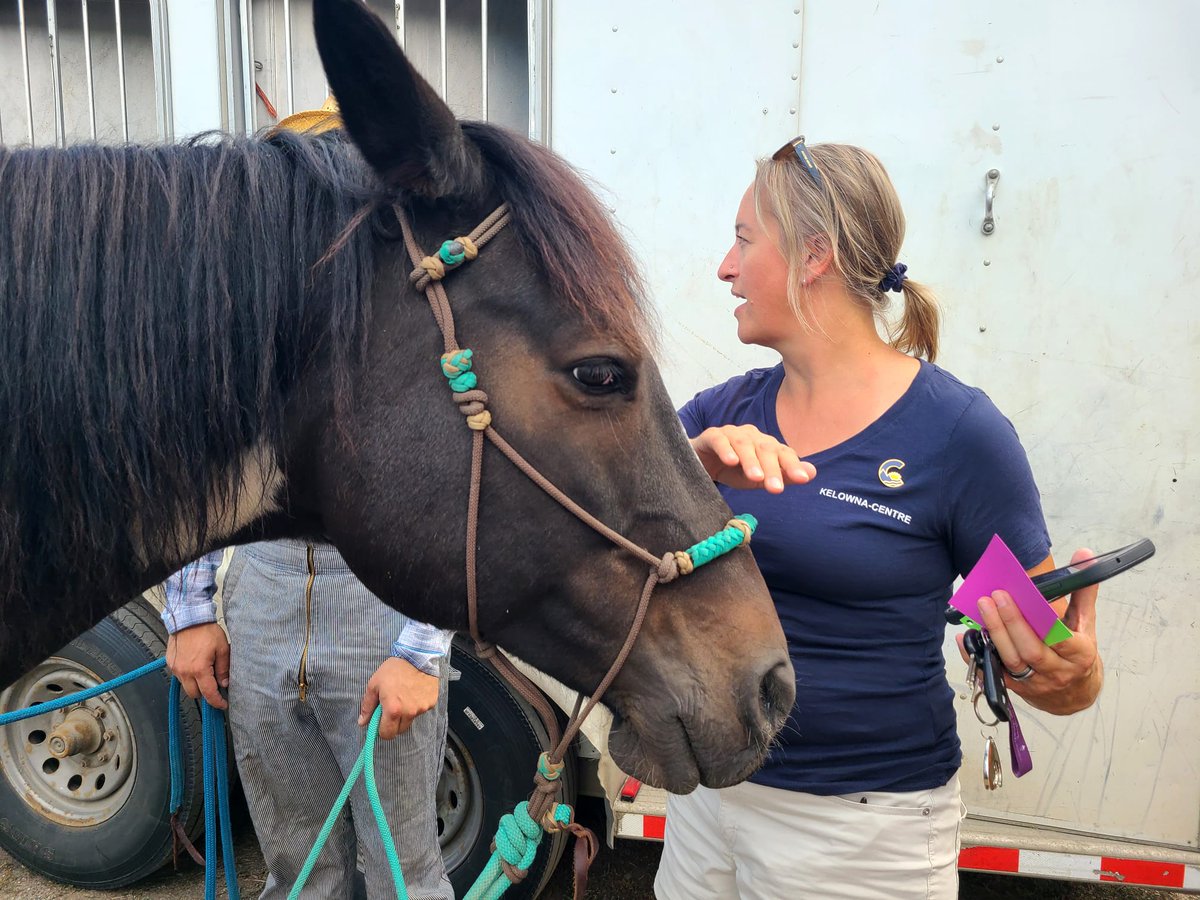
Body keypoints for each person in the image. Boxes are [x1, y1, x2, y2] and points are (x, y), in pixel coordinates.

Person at [653, 138, 1104, 900]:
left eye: (742, 239)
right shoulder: (718, 415)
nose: (724, 268)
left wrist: (1071, 675)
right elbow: (605, 555)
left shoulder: (956, 434)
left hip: (862, 832)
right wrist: (688, 466)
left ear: (813, 256)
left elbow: (1048, 661)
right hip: (707, 805)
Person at [164, 541, 454, 900]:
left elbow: (460, 491)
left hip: (387, 587)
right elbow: (200, 485)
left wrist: (422, 648)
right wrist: (188, 611)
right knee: (297, 868)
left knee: (403, 874)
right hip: (263, 582)